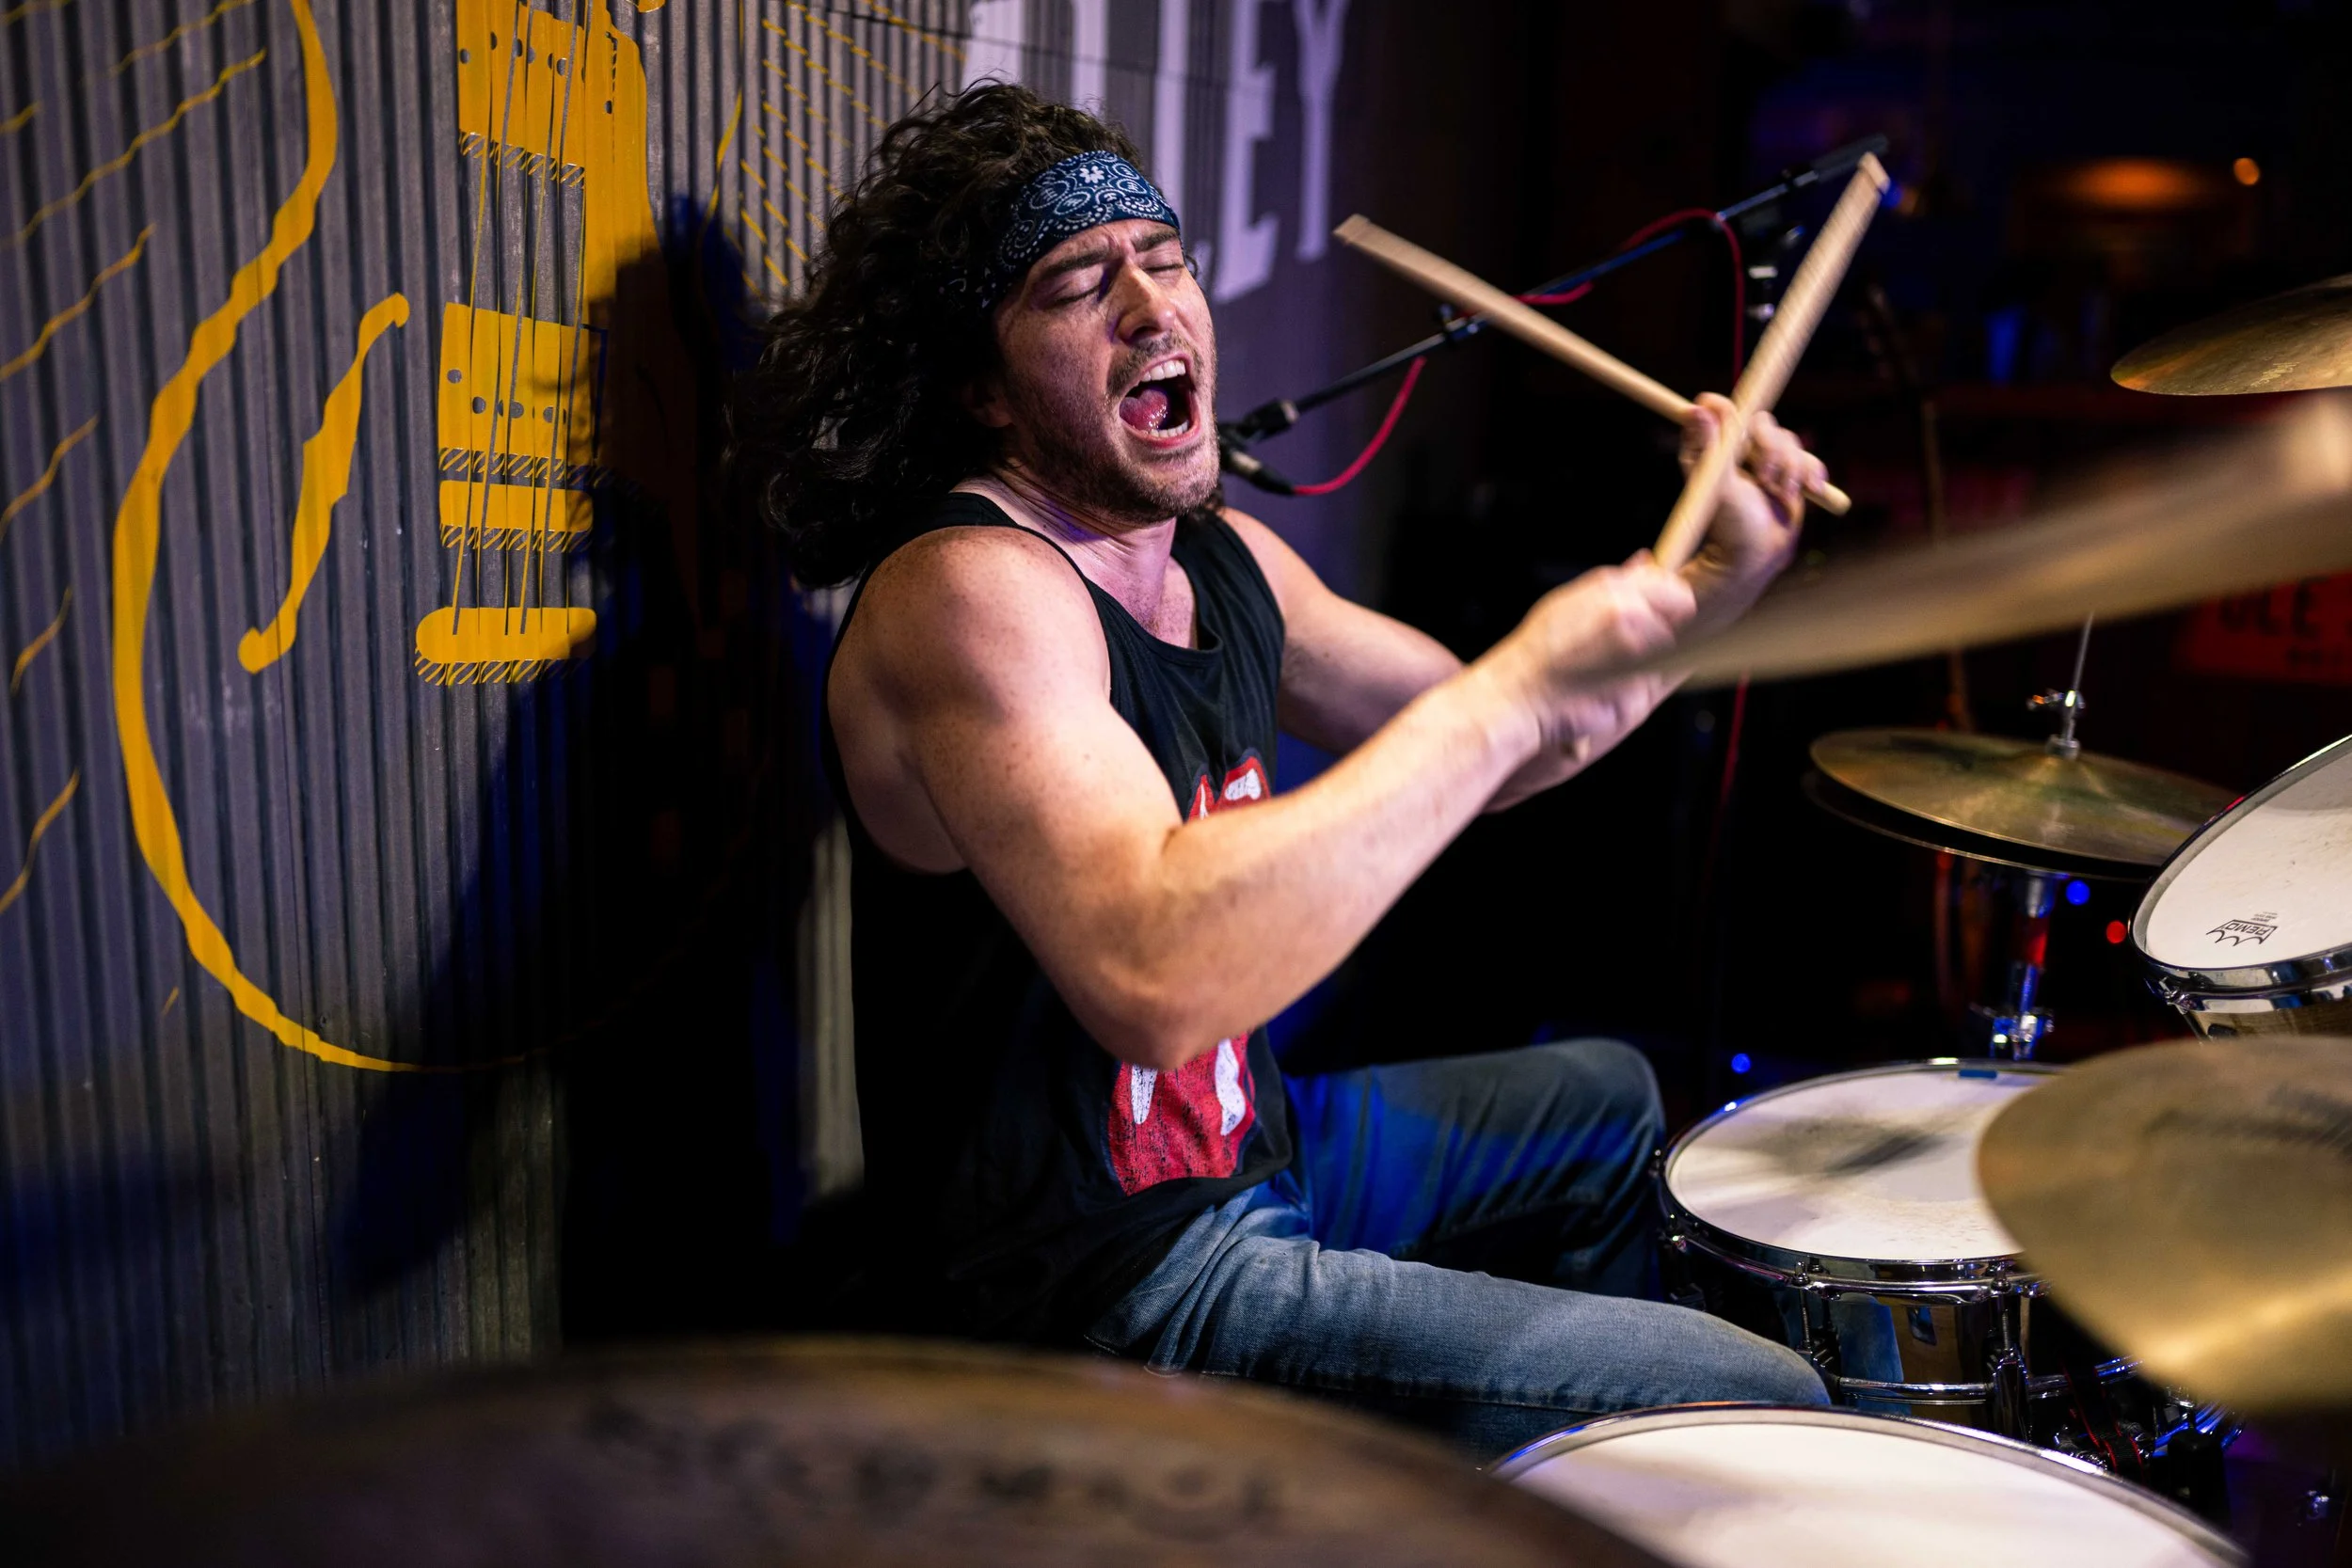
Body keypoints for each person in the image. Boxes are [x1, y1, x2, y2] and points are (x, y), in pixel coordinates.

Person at [729, 84, 1833, 1454]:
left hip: (1255, 1150)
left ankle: (1544, 1498)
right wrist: (1508, 693)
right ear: (983, 391)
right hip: (1105, 1284)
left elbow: (1519, 745)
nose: (1152, 307)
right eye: (1080, 285)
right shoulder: (970, 591)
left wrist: (1721, 580)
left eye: (1166, 259)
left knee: (1610, 1100)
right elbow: (1153, 974)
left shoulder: (1228, 561)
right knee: (1767, 1399)